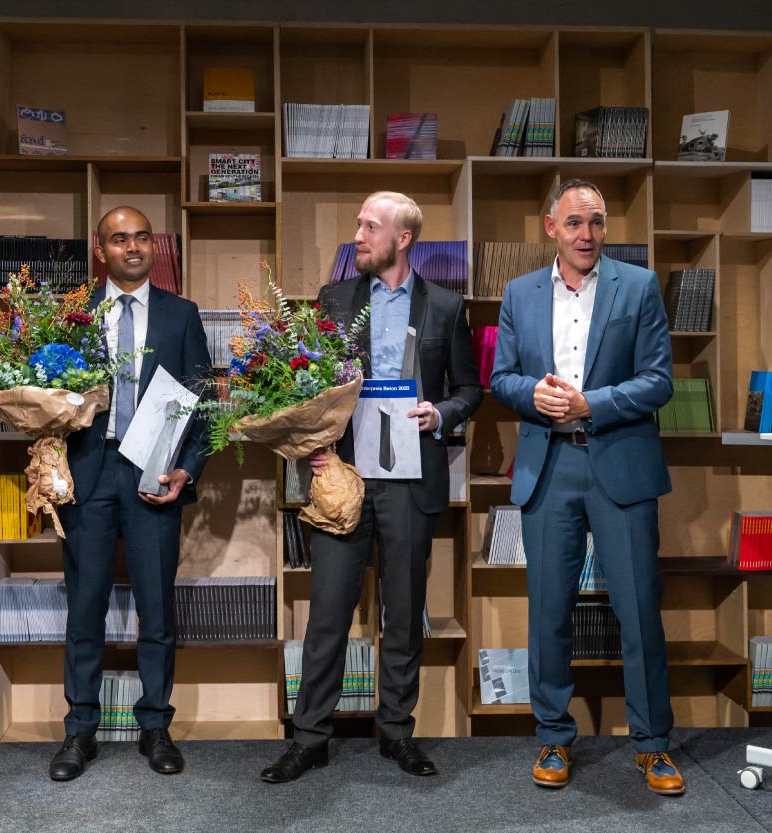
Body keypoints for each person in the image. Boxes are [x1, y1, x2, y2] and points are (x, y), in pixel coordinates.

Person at [261, 191, 481, 783]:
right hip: (343, 477)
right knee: (328, 612)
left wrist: (444, 414)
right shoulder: (334, 300)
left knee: (405, 614)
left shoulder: (444, 306)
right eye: (358, 223)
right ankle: (309, 738)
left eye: (369, 226)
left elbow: (470, 388)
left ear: (402, 239)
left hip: (411, 480)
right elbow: (305, 382)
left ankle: (397, 735)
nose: (357, 234)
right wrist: (310, 443)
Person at [489, 179, 684, 795]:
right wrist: (536, 395)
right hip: (550, 466)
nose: (587, 235)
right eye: (575, 222)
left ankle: (652, 746)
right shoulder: (519, 294)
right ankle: (552, 737)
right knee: (549, 614)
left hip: (619, 465)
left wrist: (588, 402)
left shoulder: (640, 286)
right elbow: (502, 379)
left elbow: (658, 382)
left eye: (597, 222)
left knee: (638, 614)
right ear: (551, 226)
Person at [48, 206, 213, 781]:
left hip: (153, 476)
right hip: (87, 475)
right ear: (102, 250)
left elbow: (205, 407)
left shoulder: (182, 314)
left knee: (156, 610)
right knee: (84, 608)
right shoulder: (71, 317)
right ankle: (79, 733)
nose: (133, 247)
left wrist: (187, 471)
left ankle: (156, 727)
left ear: (153, 247)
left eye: (142, 237)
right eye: (120, 239)